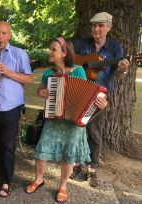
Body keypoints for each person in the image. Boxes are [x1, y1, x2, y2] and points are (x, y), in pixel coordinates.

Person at [25, 37, 107, 203]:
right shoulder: (48, 74)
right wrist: (41, 93)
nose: (50, 52)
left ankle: (62, 186)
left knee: (68, 156)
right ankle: (39, 179)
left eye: (53, 49)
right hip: (54, 119)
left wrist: (100, 104)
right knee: (41, 151)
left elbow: (85, 97)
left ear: (64, 52)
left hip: (73, 123)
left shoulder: (78, 71)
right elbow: (41, 91)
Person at [73, 12, 130, 187]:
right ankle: (75, 164)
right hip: (79, 91)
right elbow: (68, 60)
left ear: (109, 27)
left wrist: (122, 69)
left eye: (101, 25)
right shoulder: (81, 43)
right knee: (75, 129)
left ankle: (92, 168)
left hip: (99, 95)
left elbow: (120, 75)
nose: (96, 29)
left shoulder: (115, 48)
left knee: (94, 132)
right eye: (94, 25)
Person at [0, 20, 33, 197]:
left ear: (9, 35)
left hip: (11, 107)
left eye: (3, 33)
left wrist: (8, 72)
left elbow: (29, 79)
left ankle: (7, 180)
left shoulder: (19, 54)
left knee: (8, 145)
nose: (0, 36)